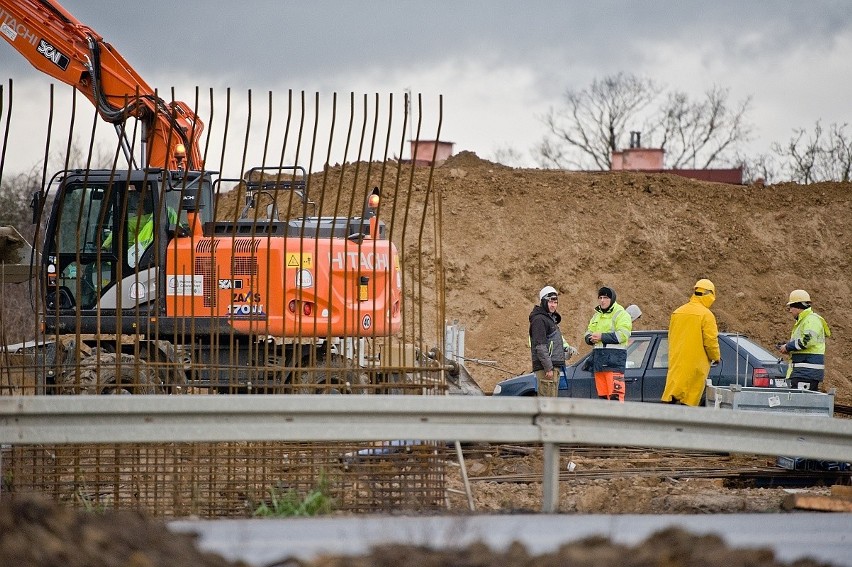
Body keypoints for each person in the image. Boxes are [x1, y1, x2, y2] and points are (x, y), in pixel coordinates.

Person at [661, 278, 721, 406]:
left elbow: (670, 336)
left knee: (673, 393)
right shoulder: (706, 315)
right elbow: (710, 341)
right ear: (709, 294)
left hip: (677, 362)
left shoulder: (677, 312)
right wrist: (716, 357)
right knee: (689, 400)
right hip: (696, 365)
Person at [584, 286, 632, 402]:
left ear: (612, 299)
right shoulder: (596, 315)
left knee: (616, 397)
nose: (602, 300)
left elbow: (623, 335)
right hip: (599, 362)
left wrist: (602, 336)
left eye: (605, 297)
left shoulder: (621, 314)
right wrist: (590, 339)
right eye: (600, 297)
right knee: (603, 398)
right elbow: (587, 333)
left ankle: (617, 420)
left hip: (614, 362)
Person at [777, 289, 831, 391]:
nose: (790, 310)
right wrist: (788, 348)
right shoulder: (804, 320)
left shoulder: (811, 320)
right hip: (803, 372)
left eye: (791, 307)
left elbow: (807, 341)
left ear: (799, 306)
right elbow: (804, 345)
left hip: (807, 372)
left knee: (801, 403)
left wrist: (788, 346)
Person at [529, 285, 573, 397]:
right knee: (547, 403)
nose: (553, 305)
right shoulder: (539, 319)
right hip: (547, 369)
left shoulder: (549, 319)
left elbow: (552, 342)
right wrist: (548, 368)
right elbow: (540, 346)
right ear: (543, 302)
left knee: (551, 402)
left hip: (552, 367)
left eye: (555, 302)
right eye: (550, 302)